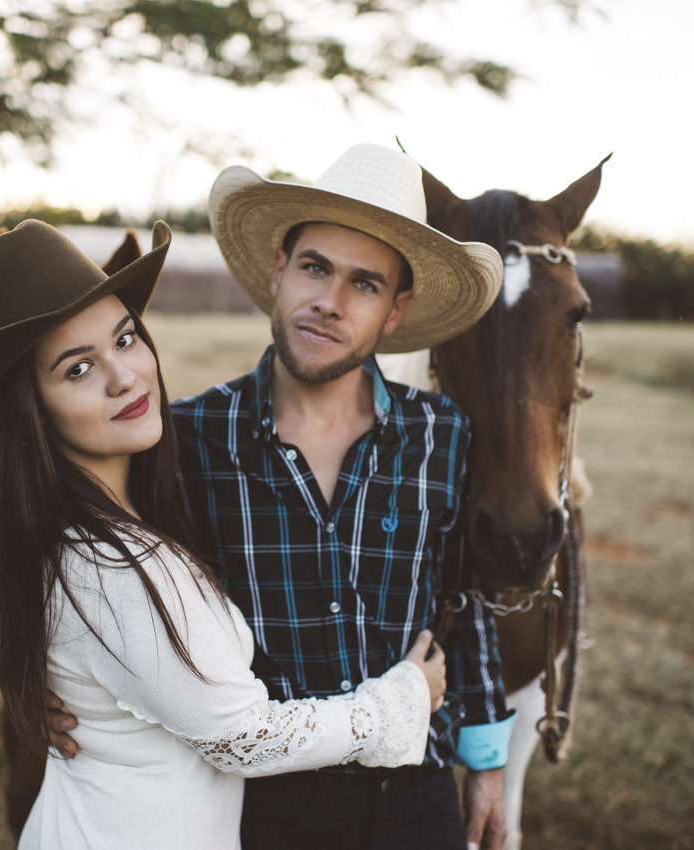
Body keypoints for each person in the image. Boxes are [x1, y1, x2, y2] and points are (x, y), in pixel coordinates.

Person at [0, 218, 449, 850]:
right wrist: (401, 700)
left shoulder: (102, 521)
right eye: (78, 369)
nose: (124, 376)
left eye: (125, 338)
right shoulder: (115, 566)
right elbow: (244, 737)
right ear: (31, 410)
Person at [51, 143, 515, 849]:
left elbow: (463, 600)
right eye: (315, 268)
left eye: (365, 285)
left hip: (416, 790)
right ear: (278, 270)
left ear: (396, 311)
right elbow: (83, 554)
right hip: (264, 801)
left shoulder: (441, 434)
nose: (329, 302)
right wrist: (47, 678)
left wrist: (486, 764)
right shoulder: (186, 438)